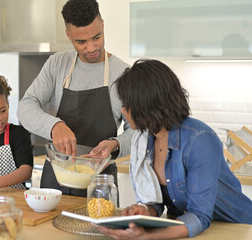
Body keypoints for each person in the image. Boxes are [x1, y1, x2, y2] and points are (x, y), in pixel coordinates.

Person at [95, 59, 252, 239]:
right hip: (186, 231)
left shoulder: (200, 140)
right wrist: (143, 211)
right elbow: (158, 202)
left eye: (125, 104)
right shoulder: (145, 139)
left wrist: (146, 236)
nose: (122, 111)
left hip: (237, 230)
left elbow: (199, 216)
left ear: (144, 104)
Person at [17, 0, 133, 197]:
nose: (91, 47)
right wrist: (55, 126)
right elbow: (25, 107)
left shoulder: (124, 74)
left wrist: (114, 144)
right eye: (81, 42)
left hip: (101, 181)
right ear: (68, 35)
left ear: (103, 25)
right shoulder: (57, 64)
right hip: (55, 177)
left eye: (97, 37)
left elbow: (137, 131)